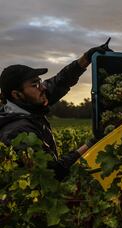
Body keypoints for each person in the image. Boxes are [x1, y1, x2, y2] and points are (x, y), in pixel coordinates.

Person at [0, 39, 112, 180]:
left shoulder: (29, 105)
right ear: (17, 94)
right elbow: (53, 172)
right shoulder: (16, 132)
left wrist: (87, 58)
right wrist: (90, 144)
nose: (43, 87)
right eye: (35, 85)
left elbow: (60, 81)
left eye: (40, 81)